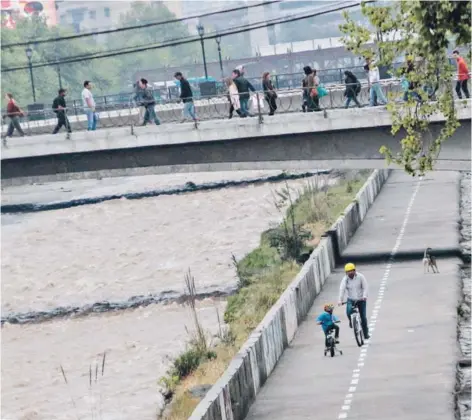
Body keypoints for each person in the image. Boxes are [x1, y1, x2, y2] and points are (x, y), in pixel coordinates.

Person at [338, 262, 370, 340]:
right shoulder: (345, 279)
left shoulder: (361, 277)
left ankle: (365, 333)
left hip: (361, 299)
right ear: (346, 272)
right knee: (348, 312)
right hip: (351, 299)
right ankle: (351, 321)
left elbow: (365, 287)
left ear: (355, 270)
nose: (350, 273)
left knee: (363, 317)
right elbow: (342, 289)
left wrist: (364, 296)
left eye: (352, 271)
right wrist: (340, 300)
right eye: (348, 271)